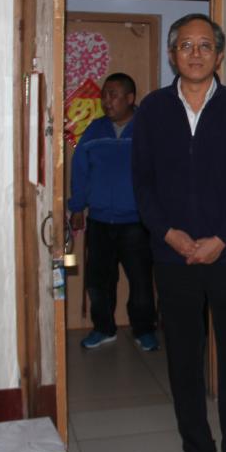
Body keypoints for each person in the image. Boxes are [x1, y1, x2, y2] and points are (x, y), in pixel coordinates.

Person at [132, 13, 226, 452]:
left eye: (205, 45)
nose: (195, 53)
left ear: (219, 55)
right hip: (172, 255)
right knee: (183, 356)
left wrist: (224, 238)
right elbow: (142, 182)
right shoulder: (152, 109)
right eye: (185, 45)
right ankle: (197, 446)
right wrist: (168, 233)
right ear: (172, 55)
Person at [68, 72, 158, 351]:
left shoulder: (148, 129)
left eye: (113, 95)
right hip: (99, 221)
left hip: (136, 222)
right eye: (104, 95)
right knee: (98, 282)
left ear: (130, 98)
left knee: (141, 282)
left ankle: (144, 329)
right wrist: (77, 206)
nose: (106, 101)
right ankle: (103, 328)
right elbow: (80, 170)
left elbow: (162, 172)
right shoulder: (94, 130)